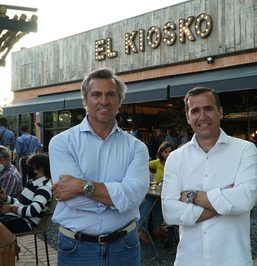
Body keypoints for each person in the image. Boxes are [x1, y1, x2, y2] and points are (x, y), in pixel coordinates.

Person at [49, 67, 149, 266]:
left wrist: (81, 186)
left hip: (125, 248)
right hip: (76, 248)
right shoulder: (62, 142)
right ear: (85, 100)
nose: (104, 100)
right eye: (96, 94)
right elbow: (72, 201)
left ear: (119, 101)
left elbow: (135, 196)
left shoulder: (136, 147)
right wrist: (118, 199)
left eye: (111, 94)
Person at [161, 87, 257, 266]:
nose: (202, 116)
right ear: (188, 117)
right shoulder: (176, 158)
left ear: (220, 112)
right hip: (189, 260)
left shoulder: (245, 150)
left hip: (233, 259)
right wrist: (225, 202)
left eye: (208, 108)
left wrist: (192, 196)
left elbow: (245, 199)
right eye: (195, 111)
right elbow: (169, 212)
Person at [0, 153, 52, 233]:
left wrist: (11, 208)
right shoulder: (32, 182)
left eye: (32, 166)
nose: (28, 168)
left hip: (26, 223)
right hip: (18, 217)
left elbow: (33, 211)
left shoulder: (44, 187)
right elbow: (21, 203)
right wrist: (5, 198)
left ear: (41, 168)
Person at [138, 141, 174, 244]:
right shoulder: (158, 162)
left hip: (170, 192)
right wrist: (148, 174)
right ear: (161, 153)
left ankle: (152, 228)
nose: (168, 154)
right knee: (150, 198)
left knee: (153, 199)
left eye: (170, 152)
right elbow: (143, 165)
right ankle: (143, 230)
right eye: (165, 152)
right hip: (158, 191)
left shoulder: (177, 163)